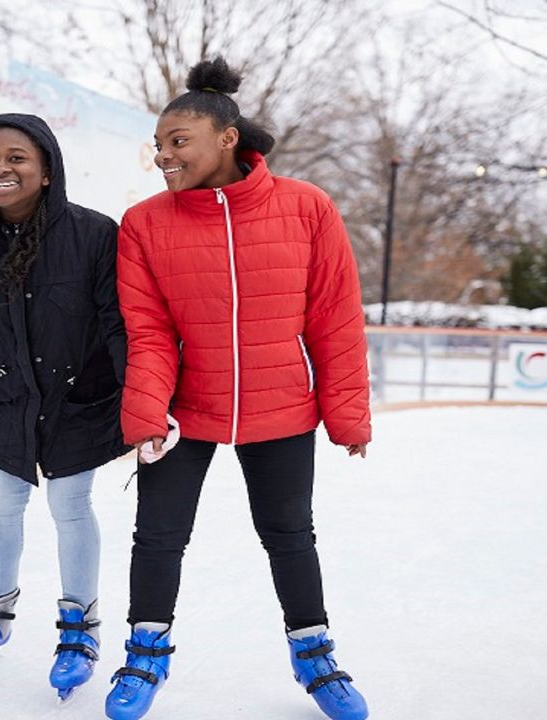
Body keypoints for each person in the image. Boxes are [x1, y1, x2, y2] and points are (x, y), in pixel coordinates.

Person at [108, 59, 371, 720]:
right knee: (158, 536)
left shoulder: (307, 208)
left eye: (179, 141)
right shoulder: (144, 223)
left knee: (290, 535)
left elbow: (335, 317)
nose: (165, 155)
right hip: (184, 411)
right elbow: (148, 330)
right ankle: (145, 654)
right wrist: (144, 412)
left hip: (282, 405)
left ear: (227, 137)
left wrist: (346, 413)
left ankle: (315, 657)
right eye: (160, 144)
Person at [0, 114, 128, 700]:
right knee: (0, 503)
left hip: (78, 397)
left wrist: (143, 398)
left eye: (16, 158)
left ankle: (79, 628)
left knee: (69, 505)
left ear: (46, 169)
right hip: (11, 397)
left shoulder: (93, 234)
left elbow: (117, 323)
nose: (1, 169)